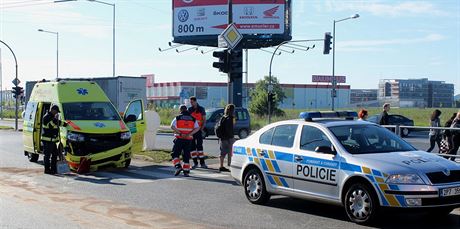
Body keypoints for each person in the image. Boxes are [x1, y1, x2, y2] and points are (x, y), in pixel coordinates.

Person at [170, 105, 200, 176]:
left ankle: (178, 166)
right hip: (188, 140)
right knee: (186, 156)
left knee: (174, 154)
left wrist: (180, 133)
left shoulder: (178, 117)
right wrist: (190, 134)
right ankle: (186, 172)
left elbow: (172, 126)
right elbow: (197, 128)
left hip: (179, 139)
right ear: (186, 110)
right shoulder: (193, 118)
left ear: (180, 110)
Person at [41, 105, 67, 174]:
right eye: (56, 112)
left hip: (52, 141)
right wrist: (63, 123)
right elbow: (54, 123)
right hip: (47, 141)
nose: (56, 113)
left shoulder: (51, 117)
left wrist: (64, 124)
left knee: (55, 155)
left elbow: (57, 122)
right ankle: (47, 170)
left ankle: (53, 169)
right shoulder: (47, 117)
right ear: (53, 110)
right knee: (47, 156)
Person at [188, 96, 207, 169]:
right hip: (192, 131)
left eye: (192, 102)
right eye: (190, 102)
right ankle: (195, 163)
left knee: (199, 147)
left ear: (195, 101)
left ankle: (202, 163)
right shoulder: (190, 109)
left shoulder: (201, 109)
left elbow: (204, 120)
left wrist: (201, 129)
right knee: (192, 147)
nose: (191, 104)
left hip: (198, 131)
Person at [218, 104, 236, 172]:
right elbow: (231, 128)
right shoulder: (231, 118)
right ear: (233, 110)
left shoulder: (223, 117)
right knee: (232, 152)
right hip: (229, 137)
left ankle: (221, 166)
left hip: (222, 137)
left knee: (222, 152)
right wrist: (231, 137)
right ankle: (232, 165)